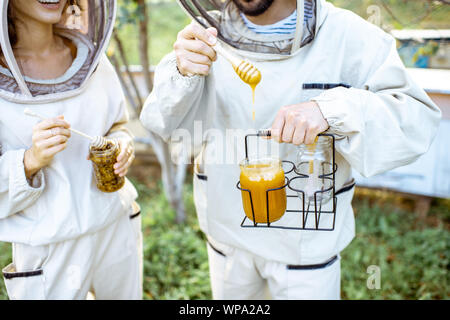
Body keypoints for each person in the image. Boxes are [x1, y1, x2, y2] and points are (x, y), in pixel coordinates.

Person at [140, 0, 441, 300]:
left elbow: (416, 121)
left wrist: (332, 110)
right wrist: (181, 73)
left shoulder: (348, 34)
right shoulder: (205, 38)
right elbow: (163, 124)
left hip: (306, 251)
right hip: (227, 239)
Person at [0, 0, 142, 300]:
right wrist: (29, 161)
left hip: (115, 224)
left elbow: (117, 125)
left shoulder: (92, 58)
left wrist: (122, 144)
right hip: (48, 249)